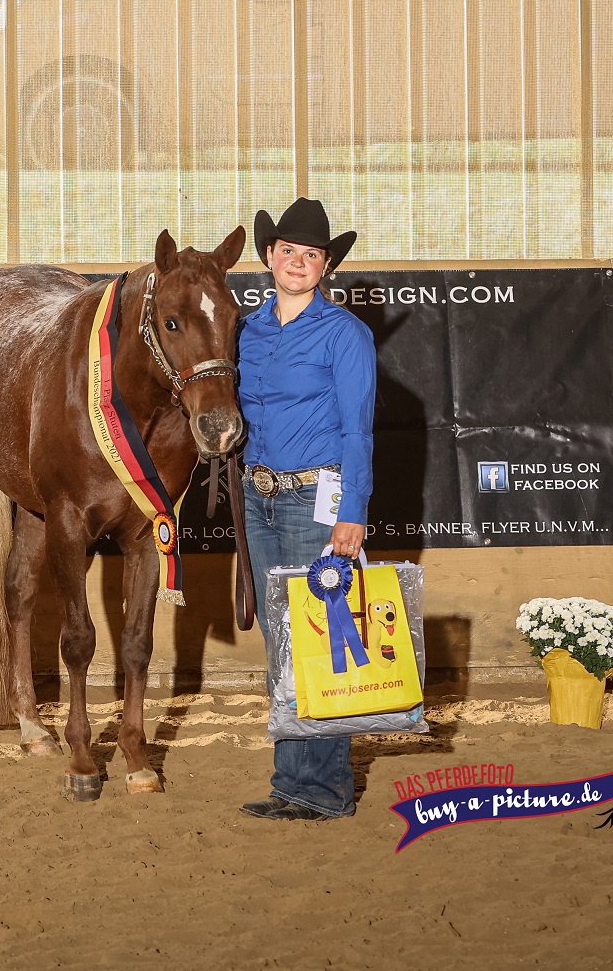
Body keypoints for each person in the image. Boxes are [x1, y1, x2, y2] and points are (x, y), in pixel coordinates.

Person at [233, 197, 374, 822]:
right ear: (269, 256)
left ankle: (325, 789)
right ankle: (291, 783)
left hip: (315, 501)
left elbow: (358, 430)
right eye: (288, 250)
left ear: (325, 266)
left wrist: (353, 510)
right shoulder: (248, 331)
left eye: (310, 254)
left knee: (320, 640)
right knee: (282, 644)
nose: (297, 261)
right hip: (257, 496)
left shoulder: (345, 333)